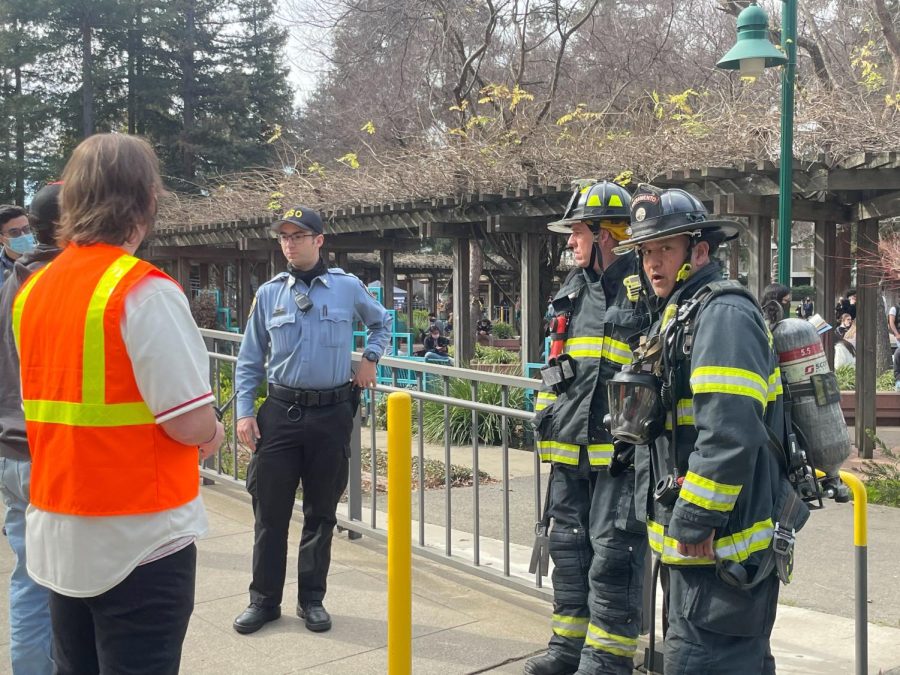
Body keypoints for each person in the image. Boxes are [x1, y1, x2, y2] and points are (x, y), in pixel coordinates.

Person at [12, 133, 224, 675]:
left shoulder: (34, 290)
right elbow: (189, 422)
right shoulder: (143, 291)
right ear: (146, 200)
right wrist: (213, 433)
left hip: (59, 532)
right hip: (140, 539)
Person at [612, 184, 809, 674]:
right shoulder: (683, 311)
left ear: (699, 249)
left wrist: (698, 516)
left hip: (720, 547)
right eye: (646, 251)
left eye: (665, 248)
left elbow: (728, 434)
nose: (652, 263)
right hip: (703, 551)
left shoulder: (722, 314)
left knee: (702, 662)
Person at [233, 205, 392, 635]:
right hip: (281, 415)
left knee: (321, 514)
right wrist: (244, 412)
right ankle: (263, 601)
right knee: (270, 514)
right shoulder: (269, 293)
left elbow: (381, 323)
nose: (290, 243)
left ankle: (312, 600)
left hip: (331, 414)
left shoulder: (346, 287)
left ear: (319, 241)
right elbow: (249, 359)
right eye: (284, 236)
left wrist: (370, 359)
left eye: (299, 236)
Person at [526, 180, 649, 675]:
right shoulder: (571, 291)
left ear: (605, 236)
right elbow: (554, 366)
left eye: (577, 232)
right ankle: (567, 647)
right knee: (568, 550)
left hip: (617, 457)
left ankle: (607, 660)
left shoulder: (641, 291)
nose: (570, 242)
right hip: (568, 449)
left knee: (612, 556)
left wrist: (635, 440)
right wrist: (545, 419)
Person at [0, 183, 62, 675]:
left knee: (29, 577)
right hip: (47, 452)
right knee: (61, 580)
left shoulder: (13, 281)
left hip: (12, 451)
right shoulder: (57, 285)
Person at [0, 204, 34, 285]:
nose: (23, 236)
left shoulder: (47, 259)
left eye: (26, 229)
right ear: (1, 238)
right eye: (15, 232)